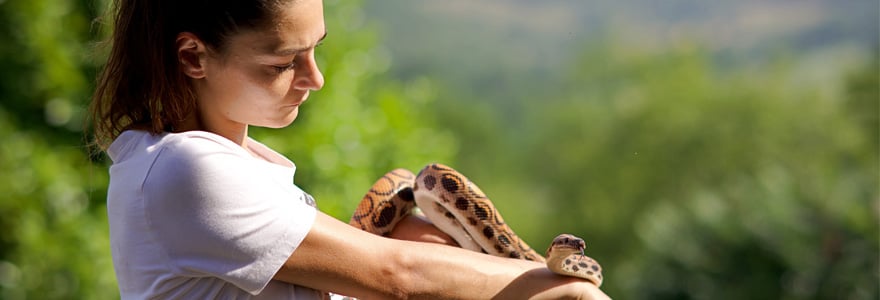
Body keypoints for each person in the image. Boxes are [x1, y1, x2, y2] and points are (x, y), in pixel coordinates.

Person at [89, 0, 612, 298]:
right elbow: (397, 276)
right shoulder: (185, 170)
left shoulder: (229, 163)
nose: (314, 78)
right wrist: (563, 288)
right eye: (281, 64)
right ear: (193, 56)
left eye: (316, 50)